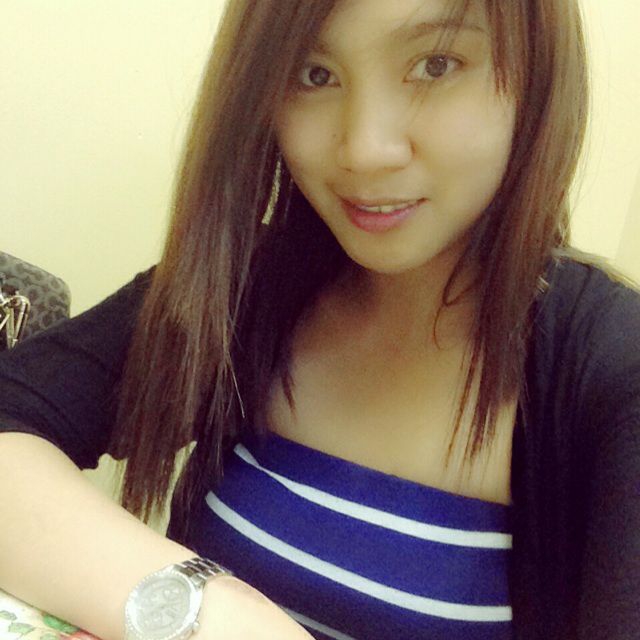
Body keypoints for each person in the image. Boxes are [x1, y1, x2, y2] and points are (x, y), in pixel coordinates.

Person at [0, 0, 638, 638]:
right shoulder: (251, 285)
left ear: (537, 75)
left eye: (436, 64)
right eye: (314, 75)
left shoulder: (613, 369)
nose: (364, 150)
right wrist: (211, 613)